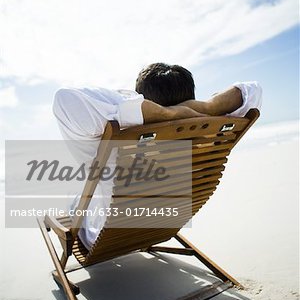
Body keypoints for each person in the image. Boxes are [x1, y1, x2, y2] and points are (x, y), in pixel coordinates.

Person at [53, 63, 262, 249]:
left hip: (104, 233)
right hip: (165, 223)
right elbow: (253, 91)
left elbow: (65, 98)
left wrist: (164, 113)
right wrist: (208, 108)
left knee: (77, 193)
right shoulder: (208, 132)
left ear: (140, 98)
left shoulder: (121, 135)